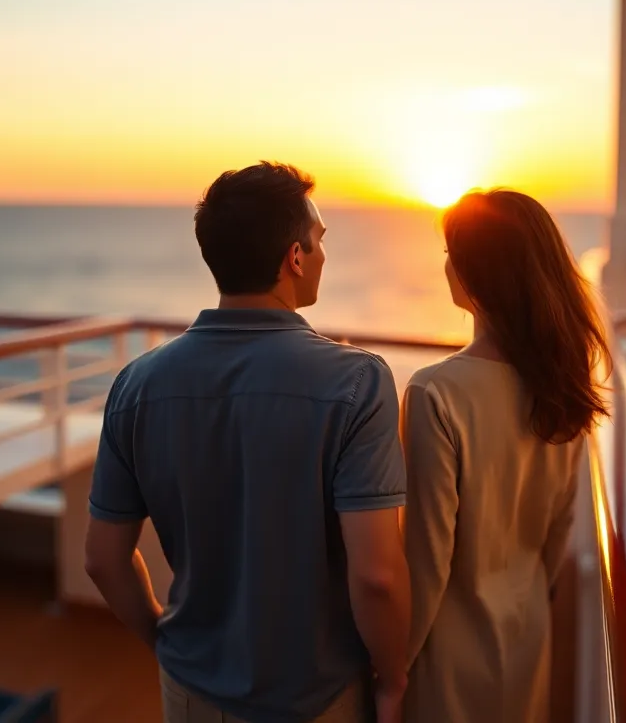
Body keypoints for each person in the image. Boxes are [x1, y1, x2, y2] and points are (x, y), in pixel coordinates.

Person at [84, 162, 411, 723]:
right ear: (295, 257)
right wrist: (395, 677)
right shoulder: (357, 383)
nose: (324, 253)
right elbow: (377, 577)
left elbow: (102, 560)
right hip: (315, 697)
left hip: (189, 690)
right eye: (320, 238)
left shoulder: (136, 385)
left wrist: (164, 644)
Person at [401, 189, 610, 723]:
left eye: (451, 251)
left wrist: (389, 668)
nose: (446, 264)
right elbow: (556, 536)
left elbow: (427, 563)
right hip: (525, 634)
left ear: (476, 270)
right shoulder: (562, 384)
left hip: (449, 656)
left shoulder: (436, 392)